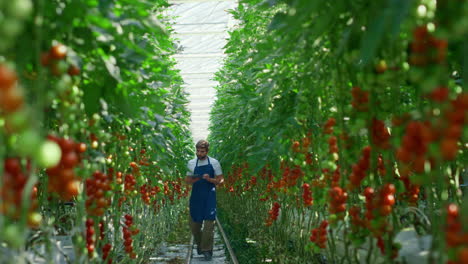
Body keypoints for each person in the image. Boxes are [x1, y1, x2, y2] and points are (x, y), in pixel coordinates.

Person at [185, 140, 224, 261]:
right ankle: (200, 245)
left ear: (207, 151)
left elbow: (221, 180)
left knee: (209, 224)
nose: (199, 153)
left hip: (209, 196)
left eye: (202, 151)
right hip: (196, 197)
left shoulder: (214, 163)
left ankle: (207, 250)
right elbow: (187, 180)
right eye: (197, 151)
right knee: (194, 225)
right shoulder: (191, 163)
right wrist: (194, 179)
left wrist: (210, 180)